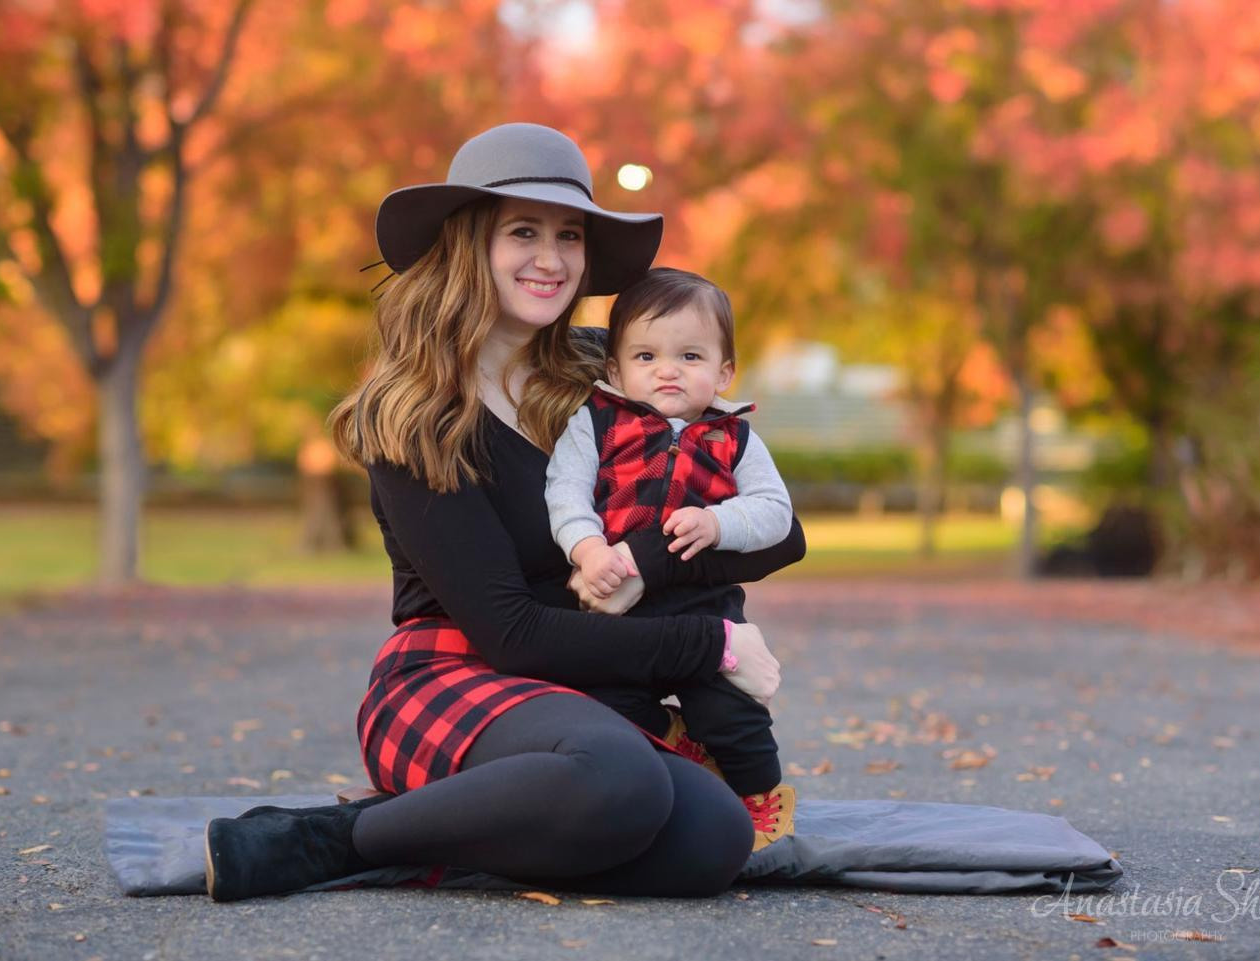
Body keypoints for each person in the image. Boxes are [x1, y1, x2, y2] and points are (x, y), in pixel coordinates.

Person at [201, 123, 806, 902]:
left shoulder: (611, 370)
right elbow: (510, 633)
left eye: (569, 235)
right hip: (447, 678)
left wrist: (642, 566)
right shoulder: (416, 416)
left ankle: (462, 831)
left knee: (712, 839)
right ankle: (328, 838)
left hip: (579, 684)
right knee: (619, 776)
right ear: (469, 244)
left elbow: (779, 532)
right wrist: (709, 642)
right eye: (523, 231)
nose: (550, 259)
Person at [543, 266, 798, 849]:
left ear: (723, 371)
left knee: (733, 717)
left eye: (689, 356)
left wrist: (718, 522)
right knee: (608, 709)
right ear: (615, 370)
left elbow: (776, 513)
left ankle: (760, 797)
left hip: (705, 609)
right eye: (646, 356)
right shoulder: (596, 424)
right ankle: (671, 735)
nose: (667, 371)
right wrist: (586, 549)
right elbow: (565, 490)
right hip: (620, 615)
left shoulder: (733, 437)